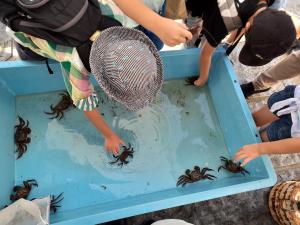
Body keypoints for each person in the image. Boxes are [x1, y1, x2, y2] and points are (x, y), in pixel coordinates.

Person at [185, 0, 297, 87]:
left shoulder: (269, 5)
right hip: (198, 5)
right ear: (247, 26)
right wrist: (202, 79)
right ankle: (191, 34)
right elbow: (205, 54)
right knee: (192, 23)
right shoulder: (223, 22)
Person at [234, 85, 300, 166]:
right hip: (294, 98)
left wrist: (259, 149)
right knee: (251, 122)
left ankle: (256, 140)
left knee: (261, 139)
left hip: (295, 129)